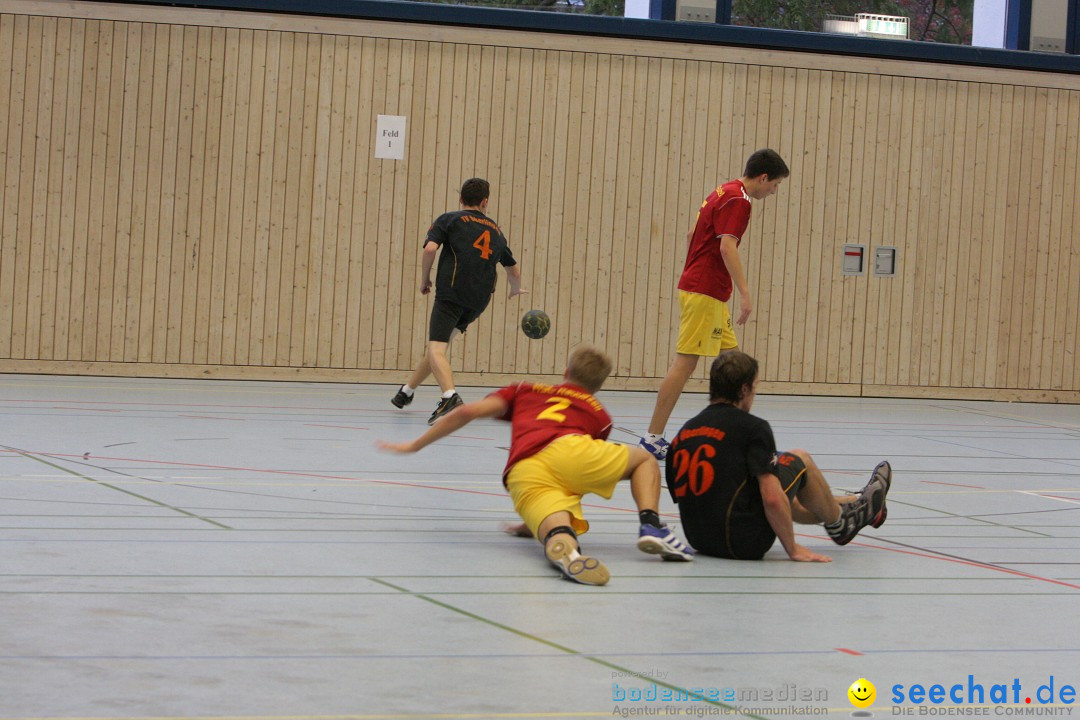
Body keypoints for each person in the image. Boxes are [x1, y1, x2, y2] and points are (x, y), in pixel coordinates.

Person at [378, 345, 695, 585]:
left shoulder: (524, 390)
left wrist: (414, 445)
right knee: (644, 460)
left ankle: (564, 548)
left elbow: (467, 412)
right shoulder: (599, 414)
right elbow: (575, 475)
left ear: (565, 370)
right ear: (598, 385)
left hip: (524, 470)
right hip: (570, 448)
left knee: (557, 525)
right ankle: (652, 525)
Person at [666, 350, 891, 562]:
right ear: (744, 390)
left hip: (700, 542)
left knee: (777, 487)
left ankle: (857, 504)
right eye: (755, 388)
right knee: (797, 459)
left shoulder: (684, 432)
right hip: (744, 544)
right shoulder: (753, 428)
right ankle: (841, 524)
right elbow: (773, 500)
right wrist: (793, 549)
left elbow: (689, 496)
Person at [640, 149, 790, 460]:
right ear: (763, 178)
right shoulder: (739, 200)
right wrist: (745, 292)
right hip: (705, 292)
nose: (774, 192)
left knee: (736, 366)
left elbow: (691, 234)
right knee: (686, 363)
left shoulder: (722, 190)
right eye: (774, 185)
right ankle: (652, 437)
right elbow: (726, 246)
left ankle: (738, 436)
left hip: (709, 291)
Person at [391, 178, 526, 425]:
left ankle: (449, 395)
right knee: (439, 346)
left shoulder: (450, 219)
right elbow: (513, 268)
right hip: (479, 300)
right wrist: (515, 289)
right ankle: (406, 392)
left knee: (436, 348)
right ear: (485, 202)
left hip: (452, 292)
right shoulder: (496, 230)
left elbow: (430, 249)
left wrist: (425, 279)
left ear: (460, 199)